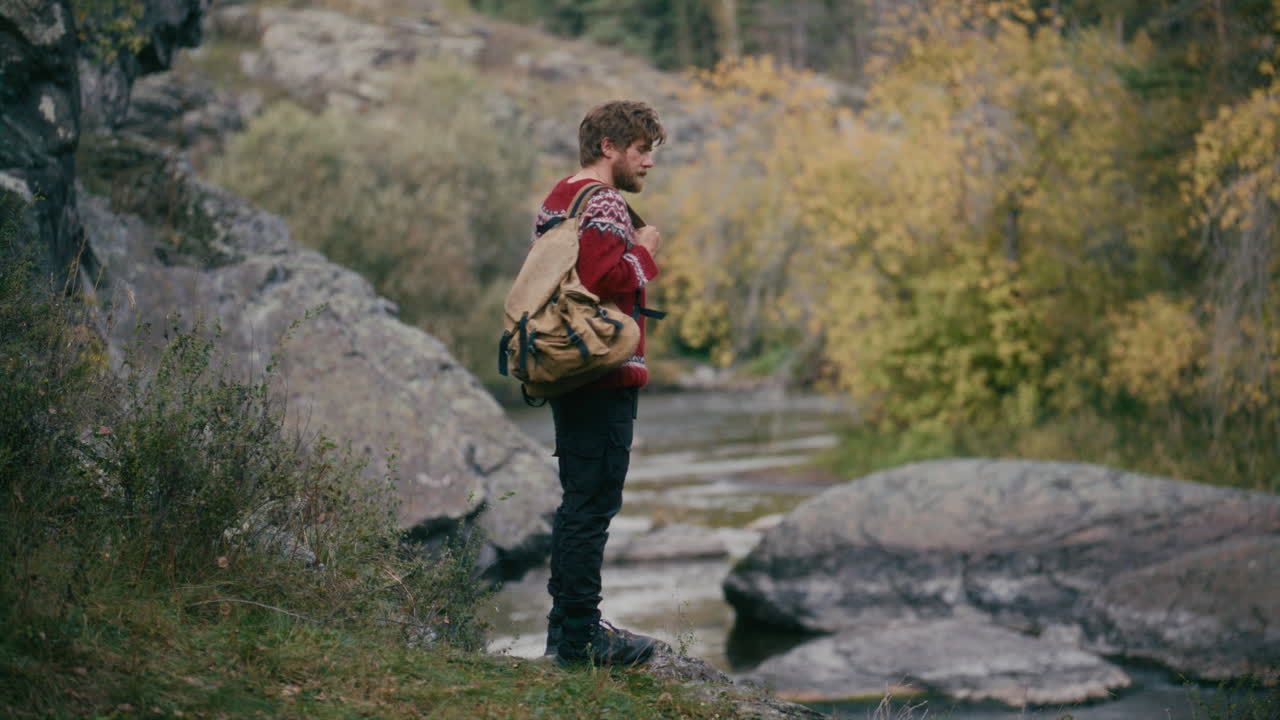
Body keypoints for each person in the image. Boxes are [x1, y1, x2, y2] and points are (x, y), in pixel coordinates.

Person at [531, 100, 666, 668]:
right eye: (643, 151)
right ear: (609, 148)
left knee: (578, 503)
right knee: (592, 506)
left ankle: (567, 633)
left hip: (569, 368)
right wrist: (646, 252)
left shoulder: (560, 197)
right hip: (602, 370)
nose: (649, 164)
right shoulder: (605, 200)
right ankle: (582, 641)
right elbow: (600, 276)